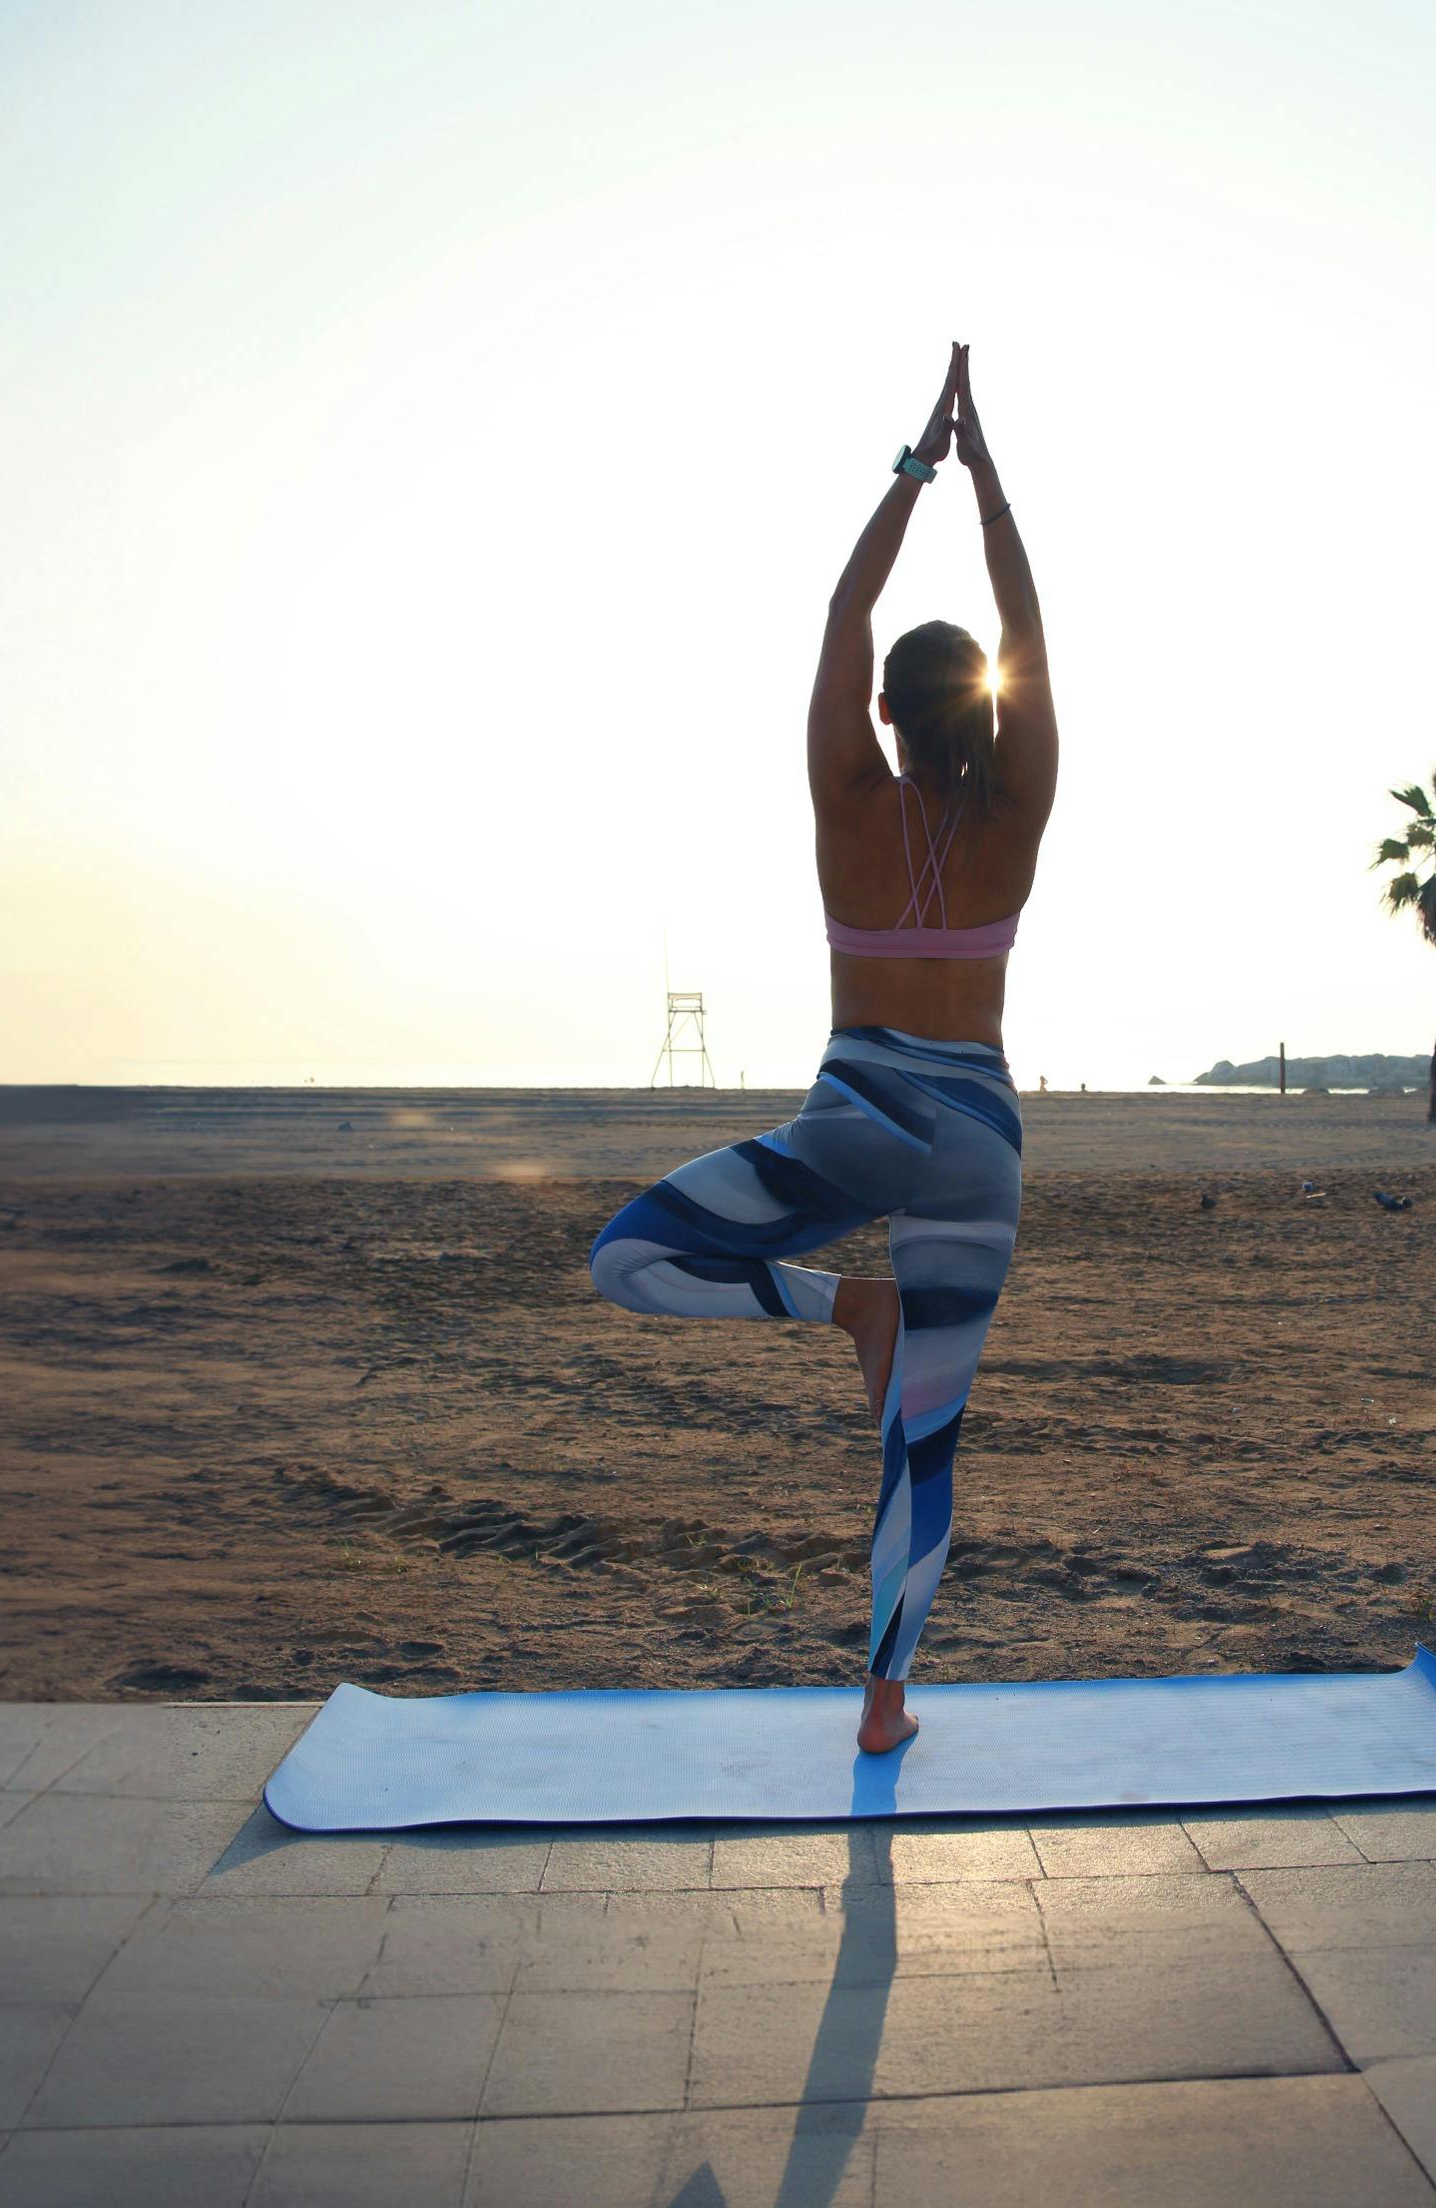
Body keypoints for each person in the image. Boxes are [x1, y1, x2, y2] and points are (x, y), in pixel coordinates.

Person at [588, 345, 1054, 1755]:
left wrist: (920, 464)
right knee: (926, 1440)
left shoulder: (848, 796)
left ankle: (842, 1307)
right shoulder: (1016, 810)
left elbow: (848, 605)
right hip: (978, 1140)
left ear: (883, 715)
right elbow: (1030, 623)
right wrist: (991, 478)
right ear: (989, 707)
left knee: (631, 1257)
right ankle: (883, 1705)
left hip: (861, 1116)